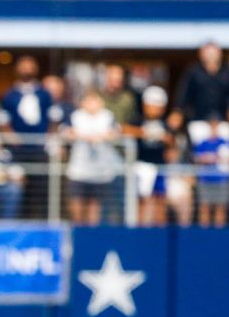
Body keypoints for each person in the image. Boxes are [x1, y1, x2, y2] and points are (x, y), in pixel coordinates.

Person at [64, 90, 122, 226]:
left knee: (94, 208)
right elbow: (66, 132)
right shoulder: (75, 116)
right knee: (76, 207)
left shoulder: (108, 116)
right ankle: (77, 237)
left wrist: (100, 137)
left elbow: (116, 133)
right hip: (78, 171)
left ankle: (91, 239)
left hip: (100, 172)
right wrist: (85, 137)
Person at [127, 85, 177, 226]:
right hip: (141, 166)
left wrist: (168, 140)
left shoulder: (166, 125)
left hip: (159, 167)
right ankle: (140, 229)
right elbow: (123, 129)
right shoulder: (137, 120)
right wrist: (144, 132)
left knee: (160, 200)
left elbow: (172, 143)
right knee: (141, 200)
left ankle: (158, 231)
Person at [0, 55, 56, 143]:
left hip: (41, 143)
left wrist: (48, 137)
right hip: (17, 145)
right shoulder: (9, 95)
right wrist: (12, 138)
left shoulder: (44, 94)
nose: (27, 71)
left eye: (30, 68)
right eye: (24, 68)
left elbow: (53, 117)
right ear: (17, 69)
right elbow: (2, 119)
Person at [174, 42, 229, 126]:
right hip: (198, 120)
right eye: (208, 53)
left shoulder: (227, 73)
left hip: (222, 122)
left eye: (213, 53)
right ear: (201, 54)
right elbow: (183, 94)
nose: (211, 56)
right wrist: (179, 111)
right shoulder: (193, 71)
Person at [192, 120, 229, 228]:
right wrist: (207, 158)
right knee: (204, 208)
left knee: (220, 208)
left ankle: (219, 233)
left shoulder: (225, 143)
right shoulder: (202, 143)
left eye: (216, 126)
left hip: (221, 180)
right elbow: (196, 158)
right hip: (205, 180)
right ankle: (204, 234)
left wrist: (216, 158)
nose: (214, 129)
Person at [100, 64, 139, 131]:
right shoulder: (98, 97)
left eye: (119, 74)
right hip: (102, 133)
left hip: (123, 133)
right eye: (113, 73)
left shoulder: (128, 98)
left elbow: (132, 120)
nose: (117, 77)